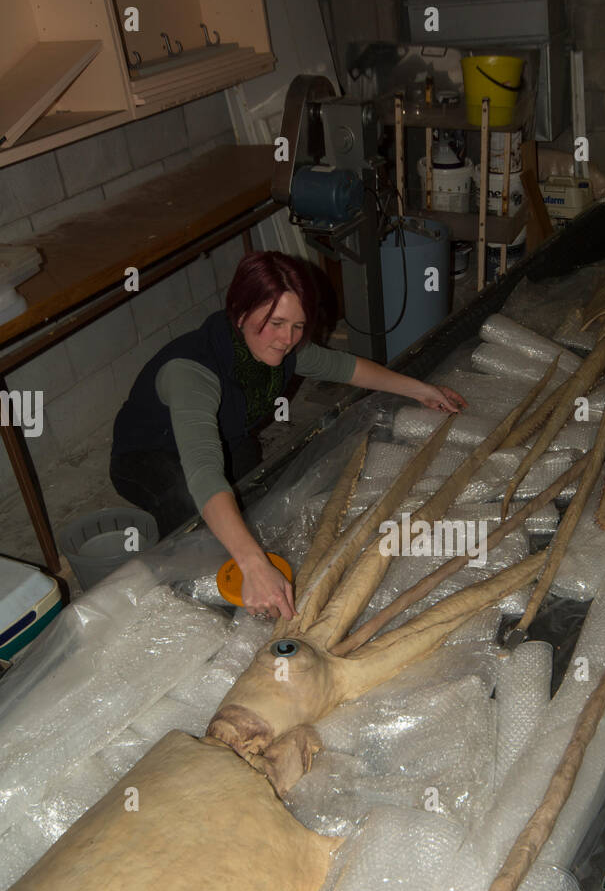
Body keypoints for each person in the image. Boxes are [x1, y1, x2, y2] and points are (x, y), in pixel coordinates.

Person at [110, 251, 465, 619]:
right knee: (190, 504)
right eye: (276, 323)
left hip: (223, 438)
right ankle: (188, 598)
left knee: (251, 485)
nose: (287, 339)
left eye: (298, 326)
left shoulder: (281, 347)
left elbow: (346, 367)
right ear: (241, 312)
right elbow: (203, 470)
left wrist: (420, 390)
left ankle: (233, 552)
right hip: (147, 455)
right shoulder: (192, 371)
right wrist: (252, 564)